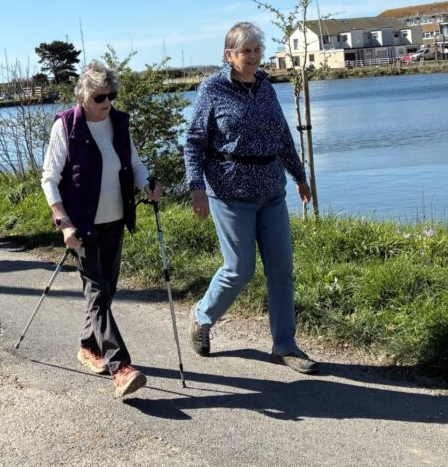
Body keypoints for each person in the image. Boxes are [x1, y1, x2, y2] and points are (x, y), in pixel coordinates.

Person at [184, 22, 317, 374]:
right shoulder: (212, 89)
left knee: (282, 271)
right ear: (229, 55)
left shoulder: (265, 87)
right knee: (239, 269)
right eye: (246, 51)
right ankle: (203, 316)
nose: (254, 56)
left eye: (258, 49)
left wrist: (299, 175)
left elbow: (282, 136)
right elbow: (194, 142)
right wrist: (197, 187)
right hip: (230, 192)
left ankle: (284, 346)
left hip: (271, 191)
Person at [40, 61, 162, 399]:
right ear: (83, 96)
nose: (107, 102)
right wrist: (63, 223)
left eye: (111, 95)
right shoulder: (66, 125)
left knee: (105, 291)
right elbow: (49, 179)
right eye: (99, 97)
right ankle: (120, 367)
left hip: (115, 219)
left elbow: (134, 164)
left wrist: (147, 185)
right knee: (96, 289)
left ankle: (87, 345)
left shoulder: (119, 123)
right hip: (81, 225)